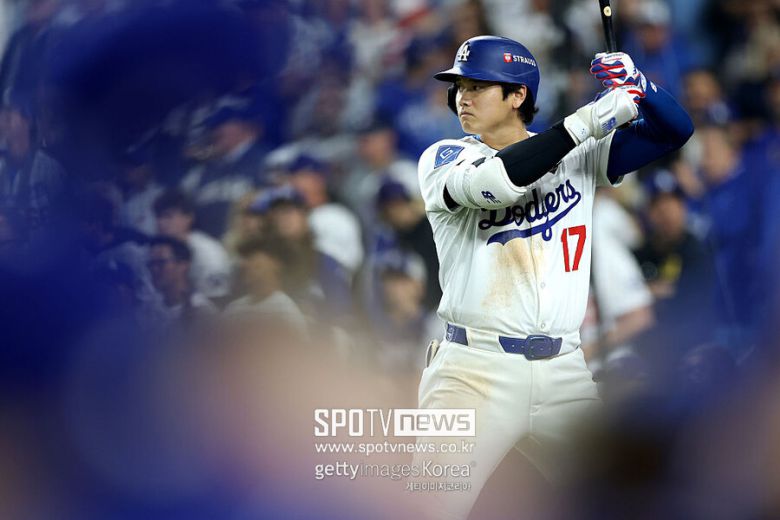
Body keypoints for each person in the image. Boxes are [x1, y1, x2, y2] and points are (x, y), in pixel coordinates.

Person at [412, 35, 693, 519]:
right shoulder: (444, 157)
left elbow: (675, 131)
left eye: (478, 86)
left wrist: (640, 86)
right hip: (473, 371)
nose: (462, 97)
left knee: (623, 502)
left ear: (517, 95)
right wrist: (590, 120)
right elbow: (497, 182)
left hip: (564, 368)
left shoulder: (579, 155)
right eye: (459, 87)